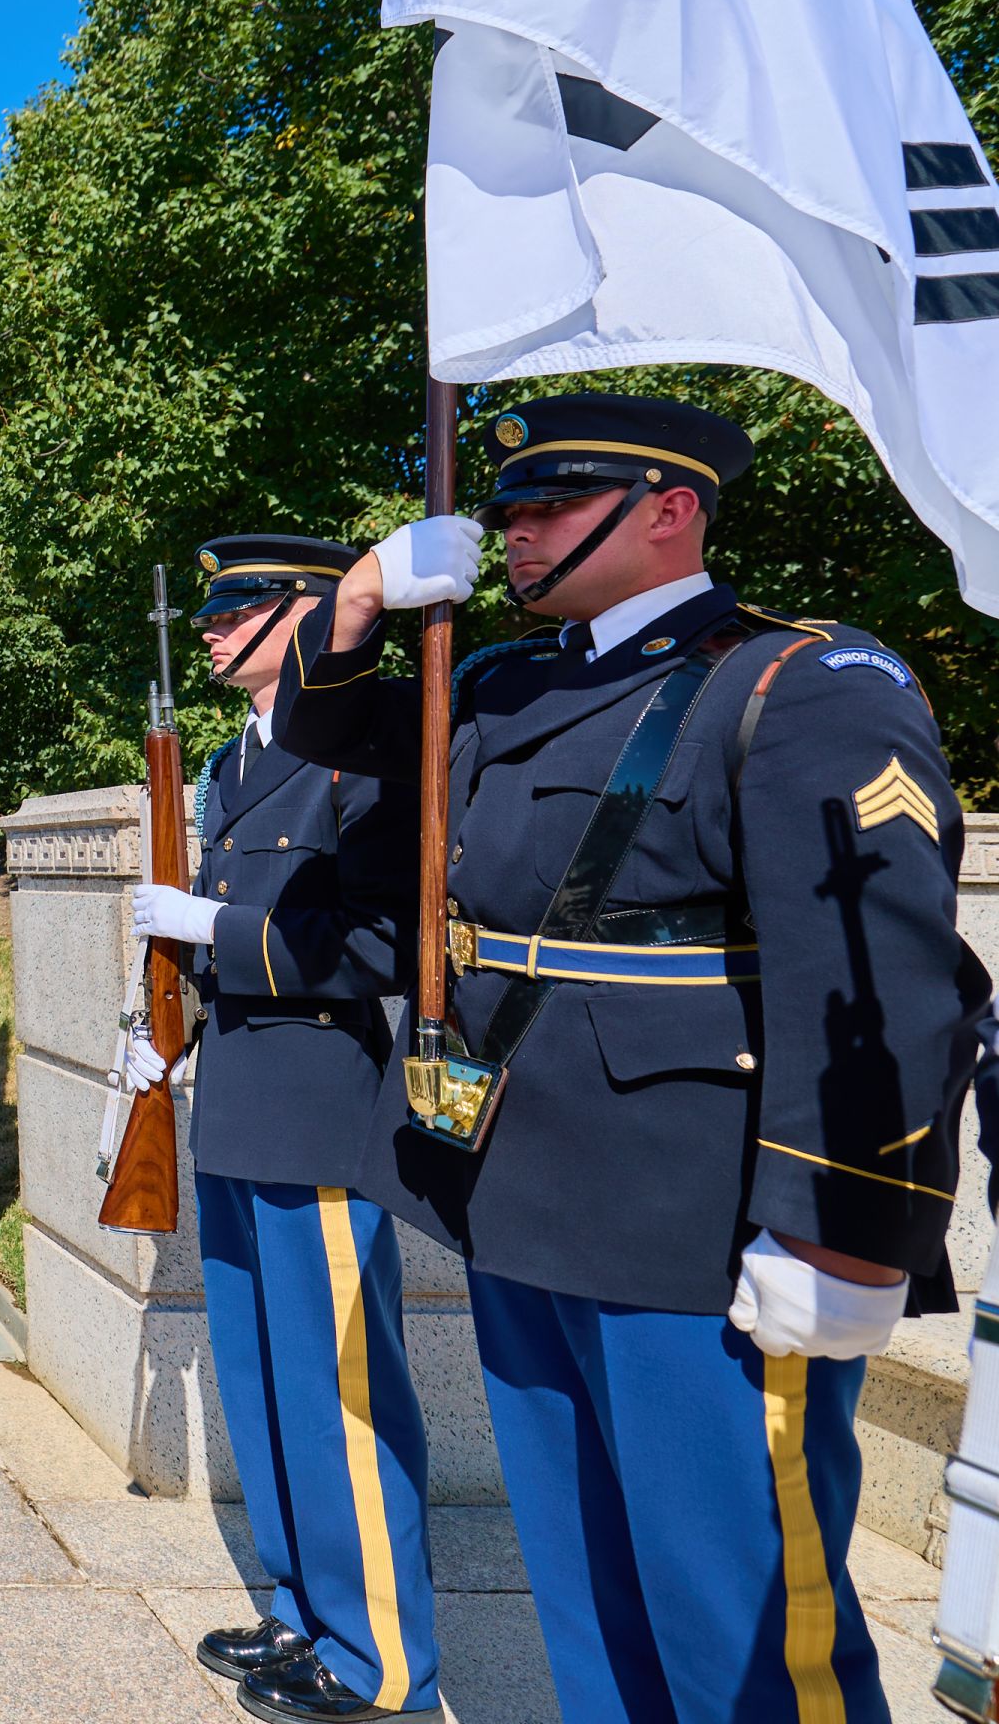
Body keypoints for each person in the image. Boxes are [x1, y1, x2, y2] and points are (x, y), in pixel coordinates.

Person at [274, 394, 989, 1724]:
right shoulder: (501, 681)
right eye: (509, 509)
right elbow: (314, 730)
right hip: (517, 1193)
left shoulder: (800, 682)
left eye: (552, 504)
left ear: (670, 510)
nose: (516, 531)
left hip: (691, 1222)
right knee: (589, 1601)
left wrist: (844, 1232)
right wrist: (364, 593)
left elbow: (883, 972)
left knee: (744, 1630)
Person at [127, 536, 438, 1723]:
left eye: (238, 607)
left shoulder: (356, 756)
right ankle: (305, 1606)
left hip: (319, 1104)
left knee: (339, 1389)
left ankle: (380, 1655)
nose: (213, 628)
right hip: (238, 1101)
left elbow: (380, 944)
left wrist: (213, 927)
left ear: (307, 615)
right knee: (264, 1380)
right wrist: (164, 1021)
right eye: (209, 611)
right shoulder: (228, 762)